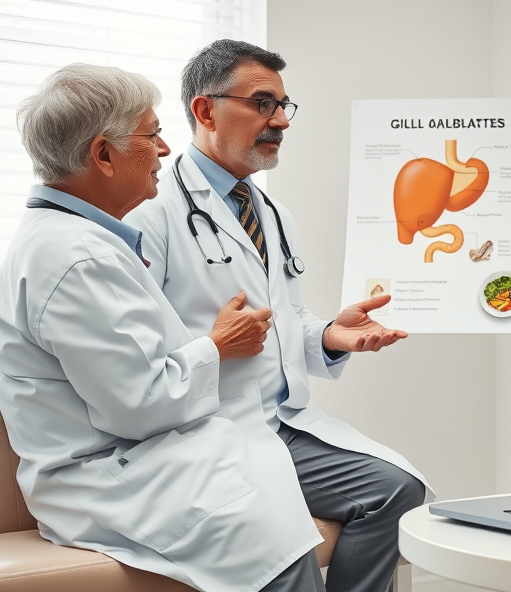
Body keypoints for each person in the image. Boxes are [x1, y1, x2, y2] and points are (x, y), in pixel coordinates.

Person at [0, 63, 339, 591]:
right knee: (276, 544)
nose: (164, 149)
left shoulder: (82, 240)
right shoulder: (76, 256)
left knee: (293, 509)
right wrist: (216, 345)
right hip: (109, 472)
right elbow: (140, 404)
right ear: (103, 155)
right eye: (151, 134)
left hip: (153, 450)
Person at [123, 39, 432, 592]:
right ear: (204, 110)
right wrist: (215, 344)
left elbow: (285, 320)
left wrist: (331, 336)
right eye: (263, 104)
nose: (281, 121)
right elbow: (132, 351)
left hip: (274, 422)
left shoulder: (271, 211)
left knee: (396, 490)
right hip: (199, 430)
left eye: (284, 106)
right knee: (286, 540)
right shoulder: (151, 210)